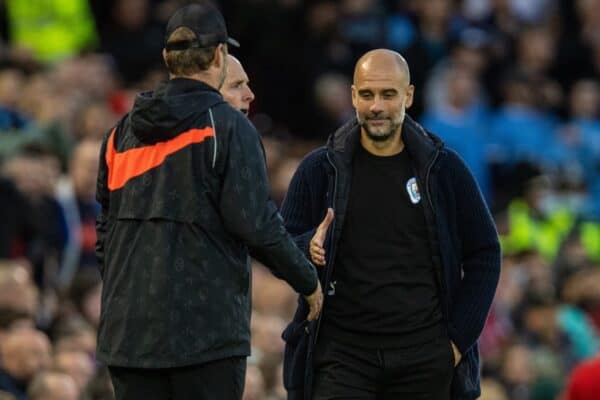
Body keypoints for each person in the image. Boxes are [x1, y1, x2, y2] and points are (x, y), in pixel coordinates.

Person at [95, 3, 323, 400]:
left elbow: (105, 232)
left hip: (127, 335)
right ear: (220, 55)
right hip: (205, 337)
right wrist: (308, 281)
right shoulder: (227, 126)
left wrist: (127, 288)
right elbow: (256, 224)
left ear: (168, 58)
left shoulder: (119, 134)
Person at [280, 49, 501, 399]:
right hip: (342, 357)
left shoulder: (444, 169)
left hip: (425, 358)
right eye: (367, 95)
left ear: (408, 95)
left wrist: (457, 341)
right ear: (353, 95)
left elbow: (485, 253)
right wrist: (307, 245)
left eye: (388, 94)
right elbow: (279, 244)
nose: (377, 106)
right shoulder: (318, 170)